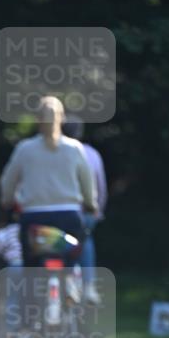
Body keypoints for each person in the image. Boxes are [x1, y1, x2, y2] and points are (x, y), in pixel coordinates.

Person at [0, 96, 96, 336]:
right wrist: (91, 204)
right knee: (72, 255)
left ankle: (28, 323)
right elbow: (87, 185)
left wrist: (7, 201)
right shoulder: (75, 149)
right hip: (69, 218)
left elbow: (7, 183)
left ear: (37, 120)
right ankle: (71, 285)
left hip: (34, 220)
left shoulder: (25, 149)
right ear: (61, 118)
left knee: (31, 271)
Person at [62, 118, 108, 305]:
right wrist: (98, 210)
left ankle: (64, 283)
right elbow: (100, 187)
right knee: (85, 239)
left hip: (59, 210)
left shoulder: (55, 152)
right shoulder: (92, 154)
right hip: (85, 212)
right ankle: (89, 286)